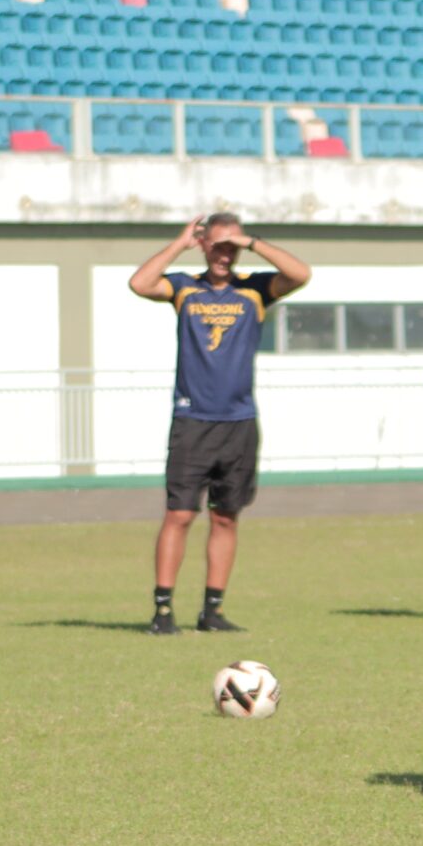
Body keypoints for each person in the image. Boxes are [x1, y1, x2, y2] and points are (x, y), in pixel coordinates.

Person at [126, 211, 312, 634]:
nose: (224, 255)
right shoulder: (184, 288)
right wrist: (180, 243)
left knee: (226, 516)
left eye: (232, 247)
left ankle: (212, 610)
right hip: (193, 420)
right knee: (179, 515)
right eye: (217, 245)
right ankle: (162, 610)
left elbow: (300, 274)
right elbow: (140, 283)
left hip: (239, 422)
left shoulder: (255, 289)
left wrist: (251, 242)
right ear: (205, 245)